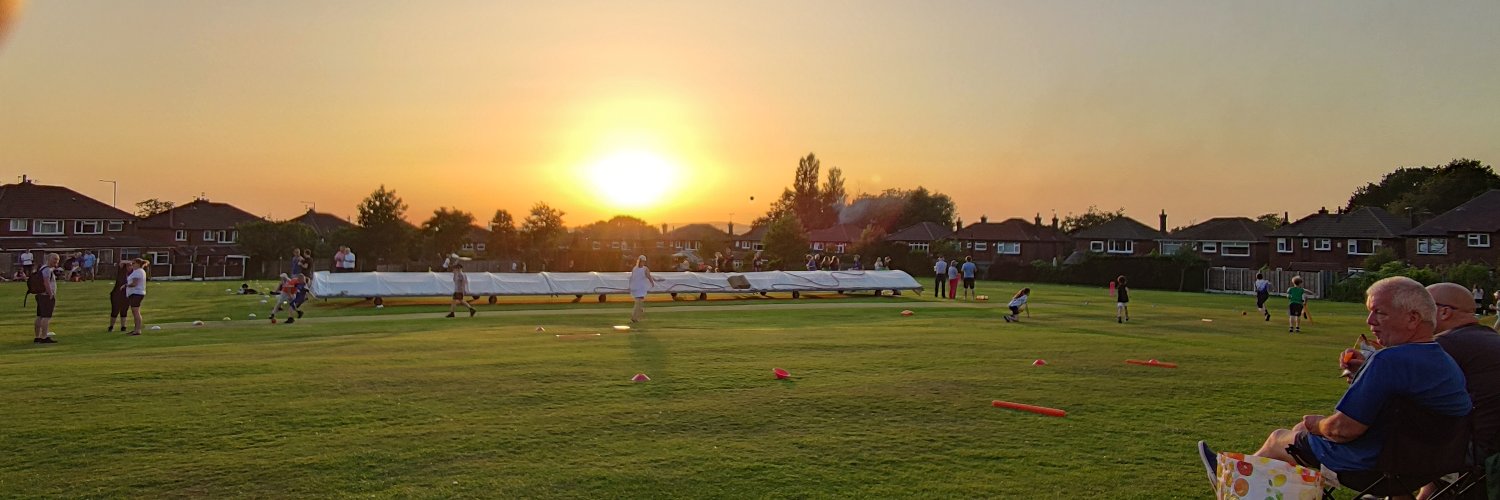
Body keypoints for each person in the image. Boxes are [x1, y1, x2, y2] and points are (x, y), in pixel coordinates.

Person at [1198, 277, 1471, 493]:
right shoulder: (1444, 362)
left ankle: (1230, 482)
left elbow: (1343, 430)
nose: (1370, 322)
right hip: (1424, 468)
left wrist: (1315, 424)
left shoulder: (1390, 360)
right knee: (1297, 437)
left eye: (1380, 313)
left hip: (1373, 469)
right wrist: (1364, 374)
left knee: (1280, 438)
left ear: (1413, 318)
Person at [32, 253, 59, 344]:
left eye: (57, 259)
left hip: (40, 295)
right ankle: (44, 337)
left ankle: (37, 337)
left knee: (39, 316)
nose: (56, 261)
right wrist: (50, 293)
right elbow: (46, 282)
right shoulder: (47, 270)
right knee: (46, 317)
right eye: (54, 259)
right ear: (49, 259)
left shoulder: (42, 268)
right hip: (46, 296)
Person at [629, 255, 659, 323]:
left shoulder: (635, 268)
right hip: (640, 288)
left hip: (636, 287)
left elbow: (632, 278)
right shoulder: (644, 269)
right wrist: (652, 283)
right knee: (638, 303)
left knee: (639, 303)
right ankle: (634, 317)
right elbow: (648, 276)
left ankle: (636, 316)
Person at [122, 258, 148, 336]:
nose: (132, 265)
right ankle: (136, 329)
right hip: (135, 293)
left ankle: (137, 330)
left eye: (133, 263)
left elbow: (134, 283)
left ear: (138, 264)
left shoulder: (138, 272)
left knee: (136, 312)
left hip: (136, 293)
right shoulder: (138, 271)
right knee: (135, 311)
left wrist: (125, 285)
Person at [108, 259, 131, 331]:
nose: (130, 267)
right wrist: (130, 262)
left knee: (124, 310)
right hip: (116, 294)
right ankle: (111, 326)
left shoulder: (132, 274)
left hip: (126, 295)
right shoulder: (121, 272)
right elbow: (121, 262)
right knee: (115, 310)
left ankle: (123, 326)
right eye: (129, 266)